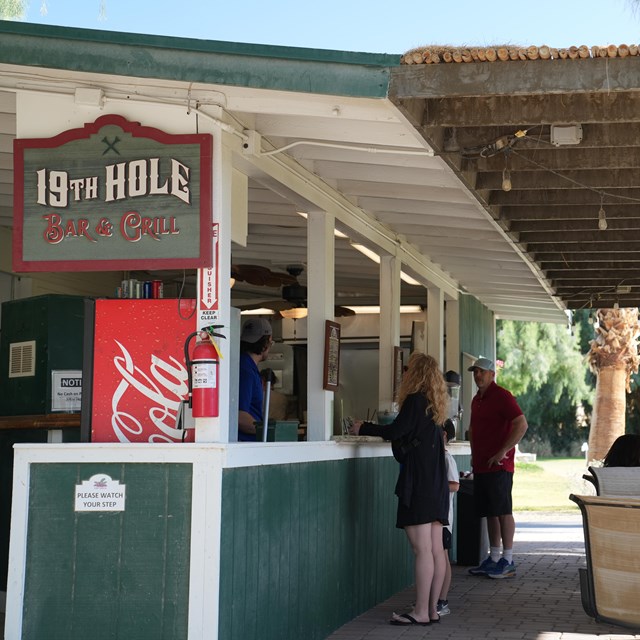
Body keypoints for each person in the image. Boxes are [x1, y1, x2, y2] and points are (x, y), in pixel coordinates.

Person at [349, 352, 449, 626]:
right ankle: (430, 610)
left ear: (414, 374)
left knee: (422, 551)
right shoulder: (435, 405)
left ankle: (419, 611)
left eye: (408, 371)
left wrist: (363, 427)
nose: (404, 375)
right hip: (436, 483)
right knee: (433, 549)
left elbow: (395, 431)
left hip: (419, 483)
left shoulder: (415, 401)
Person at [466, 357, 528, 580]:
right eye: (475, 372)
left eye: (482, 372)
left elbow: (521, 423)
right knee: (490, 512)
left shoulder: (502, 395)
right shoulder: (476, 400)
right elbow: (473, 430)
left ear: (492, 374)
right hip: (482, 465)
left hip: (500, 465)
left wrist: (504, 451)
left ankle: (508, 560)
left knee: (502, 511)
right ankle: (493, 559)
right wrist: (474, 456)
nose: (478, 376)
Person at [437, 419, 459, 616]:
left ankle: (442, 600)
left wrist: (434, 487)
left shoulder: (446, 458)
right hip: (436, 516)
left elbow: (454, 485)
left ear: (443, 435)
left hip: (444, 518)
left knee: (443, 558)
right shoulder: (436, 457)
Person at [238, 318, 273, 441]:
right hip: (245, 445)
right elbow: (239, 417)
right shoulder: (245, 371)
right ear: (266, 343)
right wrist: (270, 432)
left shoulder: (246, 366)